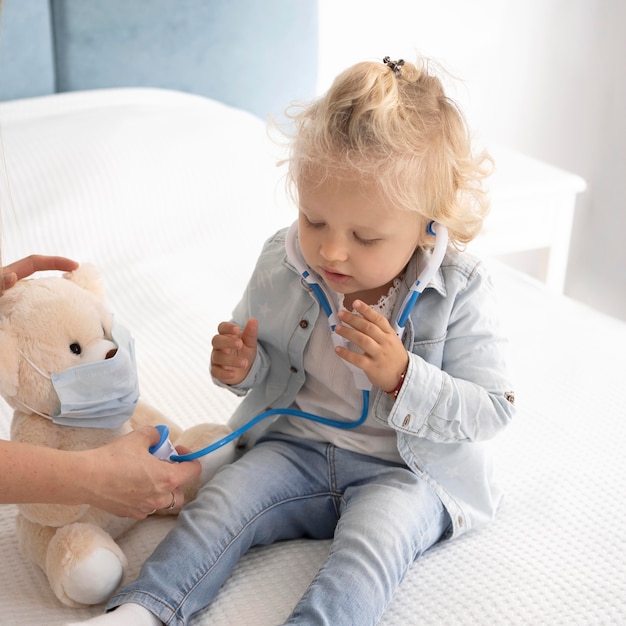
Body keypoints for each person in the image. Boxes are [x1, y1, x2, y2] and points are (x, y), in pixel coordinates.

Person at [74, 56, 515, 626]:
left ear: (428, 224)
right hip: (296, 447)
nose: (332, 252)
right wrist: (239, 366)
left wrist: (404, 376)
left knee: (370, 551)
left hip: (405, 474)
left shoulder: (462, 287)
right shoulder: (281, 262)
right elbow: (265, 366)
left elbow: (493, 411)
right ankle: (143, 610)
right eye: (314, 220)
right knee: (221, 506)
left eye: (365, 236)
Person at [0, 254, 201, 518]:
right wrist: (95, 478)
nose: (110, 352)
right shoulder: (36, 430)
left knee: (193, 452)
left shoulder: (114, 405)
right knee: (71, 546)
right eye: (75, 348)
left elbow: (156, 431)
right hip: (77, 518)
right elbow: (42, 511)